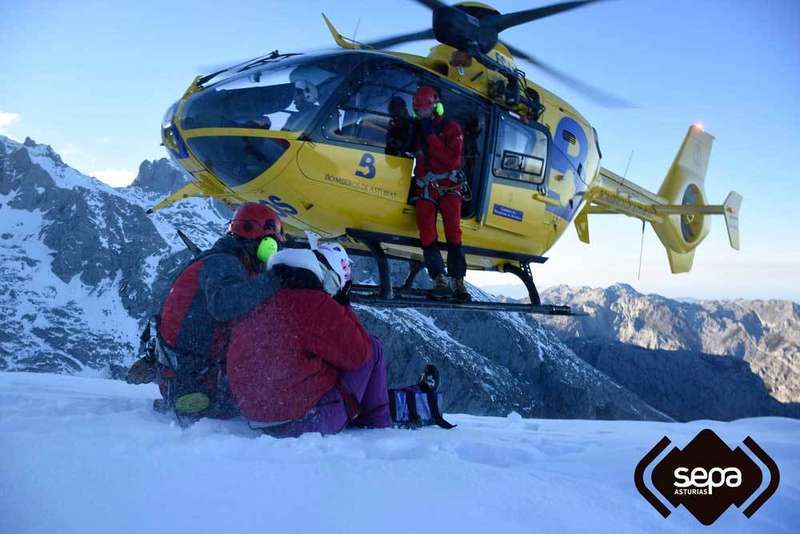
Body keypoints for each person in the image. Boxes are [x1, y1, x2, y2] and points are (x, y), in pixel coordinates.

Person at [128, 202, 285, 418]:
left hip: (183, 373)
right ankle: (197, 403)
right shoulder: (224, 264)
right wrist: (275, 279)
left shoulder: (221, 261)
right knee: (273, 401)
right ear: (264, 242)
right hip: (193, 381)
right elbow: (224, 306)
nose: (271, 255)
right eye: (272, 246)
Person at [226, 243, 392, 437]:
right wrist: (340, 303)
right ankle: (378, 428)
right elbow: (359, 354)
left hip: (255, 416)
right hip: (303, 422)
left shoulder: (259, 296)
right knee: (373, 347)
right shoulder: (314, 302)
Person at [411, 86, 471, 302]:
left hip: (449, 188)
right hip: (426, 188)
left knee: (453, 233)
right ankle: (439, 280)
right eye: (418, 112)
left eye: (423, 111)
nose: (420, 115)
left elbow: (450, 160)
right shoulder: (418, 129)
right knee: (427, 233)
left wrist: (430, 137)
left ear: (433, 107)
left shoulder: (451, 128)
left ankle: (458, 281)